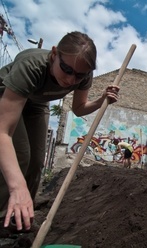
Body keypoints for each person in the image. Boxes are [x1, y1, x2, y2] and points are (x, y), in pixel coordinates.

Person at [0, 31, 120, 231]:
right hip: (6, 94)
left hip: (37, 104)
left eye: (79, 75)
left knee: (36, 161)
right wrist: (17, 187)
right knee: (21, 156)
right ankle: (3, 216)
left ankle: (19, 219)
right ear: (54, 54)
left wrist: (101, 100)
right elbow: (3, 132)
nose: (72, 80)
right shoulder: (31, 65)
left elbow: (79, 109)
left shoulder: (82, 75)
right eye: (66, 69)